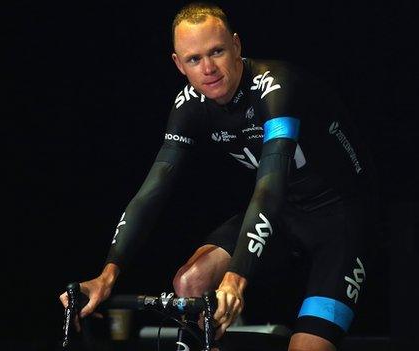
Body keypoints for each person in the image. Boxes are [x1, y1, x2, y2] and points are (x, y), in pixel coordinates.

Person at [60, 2, 379, 350]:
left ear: (237, 46)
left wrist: (235, 278)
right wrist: (107, 275)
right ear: (178, 65)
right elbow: (153, 190)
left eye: (217, 52)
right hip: (283, 216)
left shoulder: (277, 89)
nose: (208, 68)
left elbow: (270, 184)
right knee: (190, 282)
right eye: (194, 59)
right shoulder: (189, 105)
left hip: (341, 221)